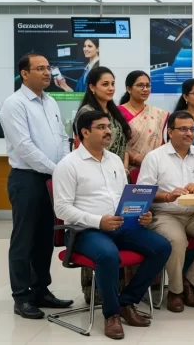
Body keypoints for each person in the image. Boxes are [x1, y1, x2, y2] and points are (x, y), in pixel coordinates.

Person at [52, 110, 171, 340]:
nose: (108, 131)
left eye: (108, 126)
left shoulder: (115, 160)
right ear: (85, 132)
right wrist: (98, 221)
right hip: (85, 230)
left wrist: (141, 214)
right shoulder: (68, 165)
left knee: (162, 247)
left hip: (120, 224)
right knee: (108, 255)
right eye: (101, 127)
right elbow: (62, 210)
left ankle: (126, 302)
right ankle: (111, 314)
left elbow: (122, 198)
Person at [0, 53, 74, 319]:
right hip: (27, 178)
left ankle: (41, 290)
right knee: (24, 240)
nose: (47, 73)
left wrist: (64, 166)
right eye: (40, 68)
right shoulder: (14, 104)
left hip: (51, 179)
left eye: (48, 68)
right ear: (24, 73)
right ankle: (21, 297)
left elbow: (62, 137)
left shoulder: (50, 101)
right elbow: (24, 147)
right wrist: (58, 170)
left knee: (44, 239)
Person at [137, 110, 194, 312]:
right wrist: (167, 196)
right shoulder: (155, 157)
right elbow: (143, 191)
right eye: (183, 129)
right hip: (165, 214)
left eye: (192, 129)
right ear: (170, 132)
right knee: (177, 241)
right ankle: (175, 292)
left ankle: (189, 283)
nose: (189, 134)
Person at [74, 66, 132, 303]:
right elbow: (80, 146)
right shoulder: (87, 113)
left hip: (116, 174)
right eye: (105, 84)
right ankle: (96, 293)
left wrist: (123, 170)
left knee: (119, 230)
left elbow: (124, 145)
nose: (110, 88)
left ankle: (117, 292)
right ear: (92, 87)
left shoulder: (113, 111)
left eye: (112, 83)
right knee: (98, 239)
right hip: (94, 178)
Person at [118, 71, 169, 171]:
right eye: (140, 85)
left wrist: (151, 161)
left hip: (154, 168)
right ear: (129, 89)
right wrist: (136, 158)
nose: (145, 89)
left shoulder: (159, 114)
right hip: (126, 168)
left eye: (148, 86)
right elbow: (116, 144)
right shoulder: (118, 112)